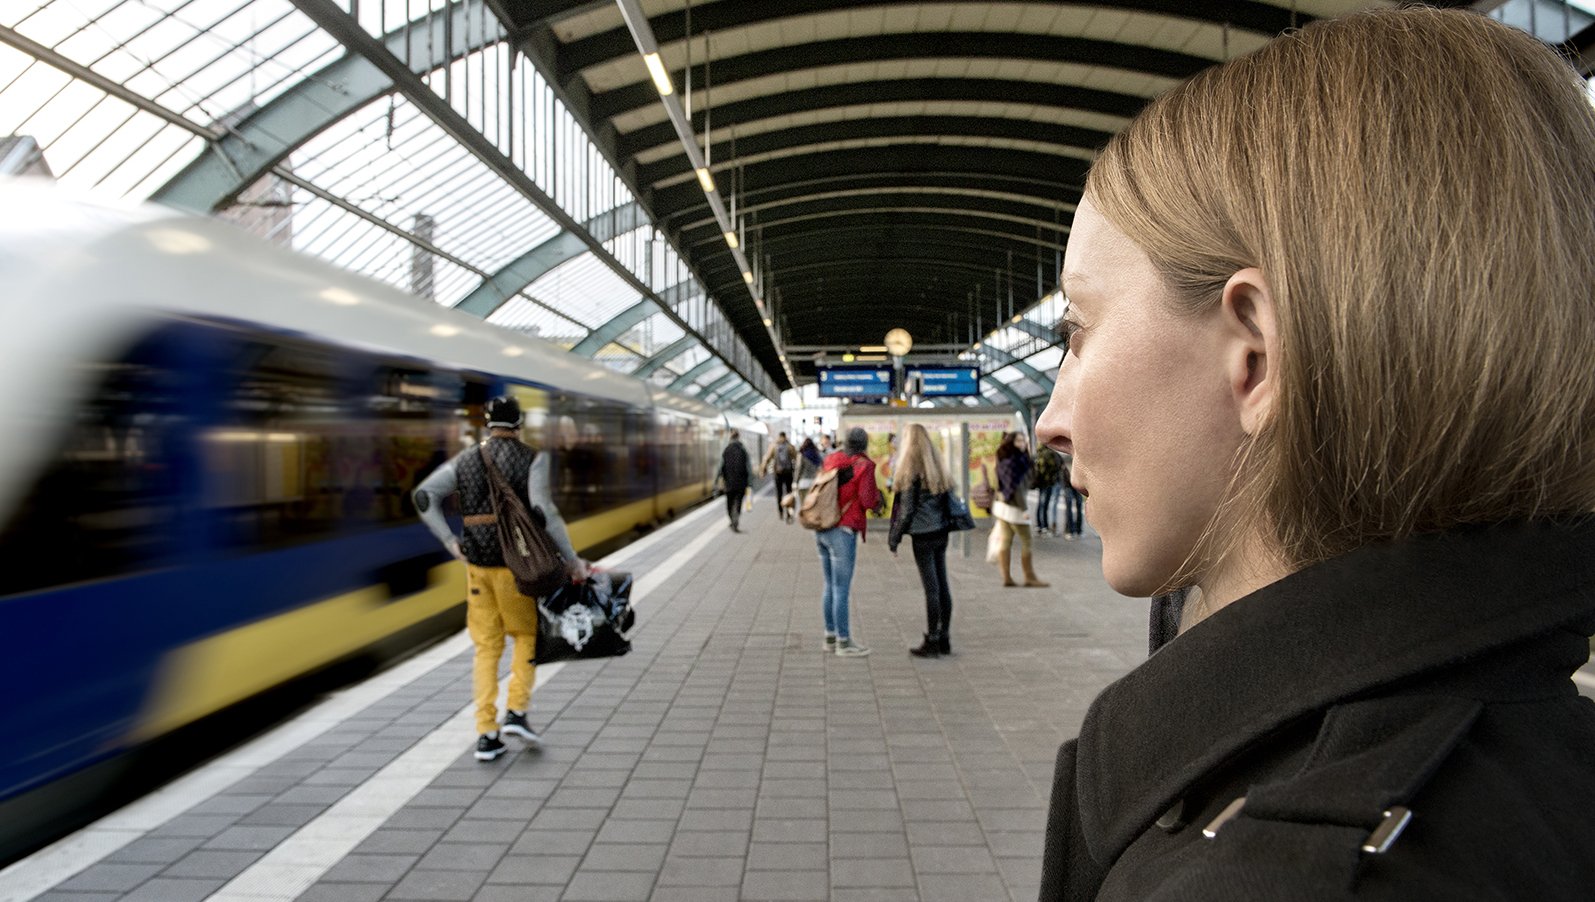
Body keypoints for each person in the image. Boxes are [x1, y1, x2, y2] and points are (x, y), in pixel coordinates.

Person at [1032, 8, 1595, 900]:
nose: (1049, 423)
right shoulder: (1543, 763)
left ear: (1252, 353)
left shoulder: (1270, 875)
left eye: (1076, 329)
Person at [413, 396, 584, 762]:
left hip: (477, 565)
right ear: (518, 423)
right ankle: (517, 712)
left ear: (487, 424)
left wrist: (450, 541)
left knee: (486, 648)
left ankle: (486, 734)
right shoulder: (531, 457)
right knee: (525, 635)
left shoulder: (466, 459)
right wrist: (571, 560)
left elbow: (424, 495)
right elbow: (543, 511)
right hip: (516, 566)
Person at [887, 424, 955, 658]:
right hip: (941, 532)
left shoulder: (910, 470)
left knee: (931, 588)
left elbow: (906, 512)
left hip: (923, 535)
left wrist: (894, 539)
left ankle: (932, 641)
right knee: (942, 584)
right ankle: (944, 637)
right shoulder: (937, 467)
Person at [816, 427, 882, 657]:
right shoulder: (864, 466)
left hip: (823, 528)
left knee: (829, 585)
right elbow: (866, 500)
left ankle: (830, 637)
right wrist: (877, 500)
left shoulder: (832, 459)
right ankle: (844, 643)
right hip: (843, 531)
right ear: (864, 444)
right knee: (841, 588)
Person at [992, 431, 1048, 588]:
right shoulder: (1015, 462)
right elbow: (1017, 489)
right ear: (1011, 443)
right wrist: (1024, 510)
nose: (1022, 444)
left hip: (1003, 507)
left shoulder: (1003, 459)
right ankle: (1029, 577)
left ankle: (1006, 577)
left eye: (1024, 440)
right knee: (1027, 541)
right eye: (1018, 441)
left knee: (1006, 540)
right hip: (1015, 508)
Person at [715, 430, 753, 532]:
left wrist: (716, 480)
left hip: (729, 482)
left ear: (730, 438)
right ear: (738, 437)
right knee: (738, 503)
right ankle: (735, 519)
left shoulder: (726, 450)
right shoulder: (743, 450)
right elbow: (748, 467)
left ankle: (732, 519)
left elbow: (720, 467)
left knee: (729, 503)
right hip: (741, 483)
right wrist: (750, 483)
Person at [760, 431, 800, 524]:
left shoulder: (774, 446)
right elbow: (797, 458)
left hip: (778, 473)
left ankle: (780, 512)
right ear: (785, 436)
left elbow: (766, 458)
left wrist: (763, 470)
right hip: (788, 473)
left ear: (779, 436)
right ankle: (789, 513)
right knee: (789, 492)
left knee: (779, 493)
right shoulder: (790, 446)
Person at [1033, 445, 1062, 537]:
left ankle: (1039, 525)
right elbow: (1057, 466)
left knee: (1040, 504)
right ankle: (1044, 526)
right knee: (1044, 505)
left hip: (1040, 482)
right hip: (1048, 482)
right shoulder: (1050, 454)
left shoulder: (1039, 452)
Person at [1059, 451, 1083, 540]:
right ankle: (1070, 530)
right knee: (1069, 508)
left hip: (1077, 485)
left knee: (1078, 507)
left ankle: (1078, 530)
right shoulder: (1065, 454)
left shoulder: (1079, 454)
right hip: (1068, 485)